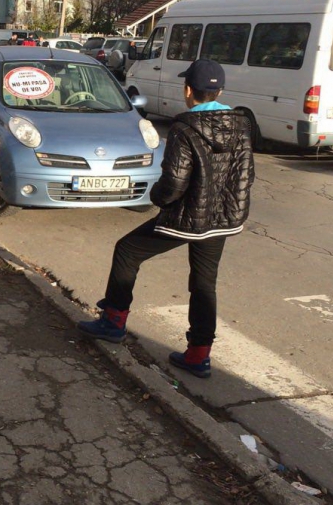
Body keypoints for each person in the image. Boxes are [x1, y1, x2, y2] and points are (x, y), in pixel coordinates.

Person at [78, 58, 255, 379]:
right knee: (204, 283)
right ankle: (199, 355)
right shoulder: (241, 125)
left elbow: (174, 182)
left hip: (188, 216)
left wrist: (158, 199)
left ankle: (113, 322)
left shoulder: (185, 127)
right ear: (220, 91)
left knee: (128, 251)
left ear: (188, 90)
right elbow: (246, 175)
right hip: (223, 218)